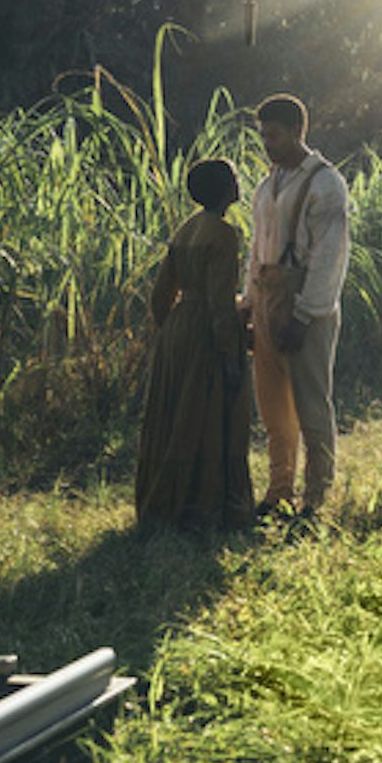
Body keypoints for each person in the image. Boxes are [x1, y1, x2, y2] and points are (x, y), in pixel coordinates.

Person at [238, 94, 352, 516]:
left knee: (310, 404)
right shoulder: (267, 185)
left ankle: (317, 500)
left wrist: (305, 315)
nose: (267, 143)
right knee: (272, 408)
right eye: (263, 135)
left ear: (298, 131)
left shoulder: (325, 183)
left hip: (308, 304)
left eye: (274, 135)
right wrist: (249, 304)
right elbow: (256, 249)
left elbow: (329, 258)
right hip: (267, 297)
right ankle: (279, 492)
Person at [134, 157, 254, 530]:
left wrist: (171, 331)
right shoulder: (222, 233)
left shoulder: (185, 229)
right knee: (209, 418)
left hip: (178, 327)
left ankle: (167, 504)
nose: (238, 184)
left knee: (174, 418)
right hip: (204, 331)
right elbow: (221, 302)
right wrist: (231, 355)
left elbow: (159, 295)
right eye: (234, 179)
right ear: (225, 190)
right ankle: (206, 508)